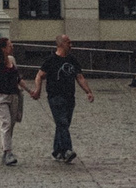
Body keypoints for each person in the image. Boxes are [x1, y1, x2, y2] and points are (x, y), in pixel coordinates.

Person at [33, 35, 94, 163]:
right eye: (68, 42)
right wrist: (38, 90)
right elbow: (39, 75)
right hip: (55, 96)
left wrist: (88, 91)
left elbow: (79, 77)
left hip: (69, 97)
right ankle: (67, 150)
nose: (71, 45)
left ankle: (57, 150)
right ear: (60, 44)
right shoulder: (51, 60)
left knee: (63, 124)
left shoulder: (72, 59)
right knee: (62, 122)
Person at [0, 37, 25, 166]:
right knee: (6, 123)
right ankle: (8, 152)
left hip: (14, 96)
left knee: (11, 124)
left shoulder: (12, 61)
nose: (12, 47)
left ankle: (6, 150)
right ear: (3, 48)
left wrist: (31, 91)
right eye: (9, 45)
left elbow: (18, 79)